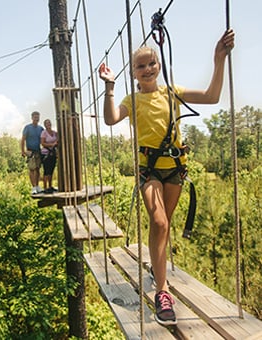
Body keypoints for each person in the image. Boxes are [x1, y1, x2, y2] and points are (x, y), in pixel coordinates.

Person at [98, 29, 235, 326]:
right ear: (133, 72)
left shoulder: (172, 93)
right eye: (140, 65)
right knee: (159, 222)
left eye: (151, 63)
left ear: (159, 66)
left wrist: (218, 59)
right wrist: (109, 87)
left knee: (165, 224)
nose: (147, 69)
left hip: (175, 169)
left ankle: (155, 267)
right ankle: (163, 290)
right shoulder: (131, 100)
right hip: (149, 170)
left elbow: (212, 96)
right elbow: (110, 119)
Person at [21, 111, 44, 196]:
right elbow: (23, 139)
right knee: (32, 169)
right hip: (30, 151)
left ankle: (37, 186)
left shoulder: (40, 128)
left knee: (38, 169)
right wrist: (23, 151)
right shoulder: (27, 127)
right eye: (35, 117)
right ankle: (33, 187)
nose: (36, 119)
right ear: (32, 118)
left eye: (38, 117)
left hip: (38, 151)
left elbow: (43, 139)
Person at [40, 119, 58, 193]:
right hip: (46, 153)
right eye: (47, 123)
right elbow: (43, 143)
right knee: (46, 171)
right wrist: (52, 145)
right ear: (45, 125)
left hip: (53, 153)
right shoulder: (44, 133)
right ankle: (45, 187)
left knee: (51, 170)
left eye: (49, 123)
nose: (49, 124)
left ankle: (50, 186)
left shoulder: (54, 133)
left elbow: (58, 139)